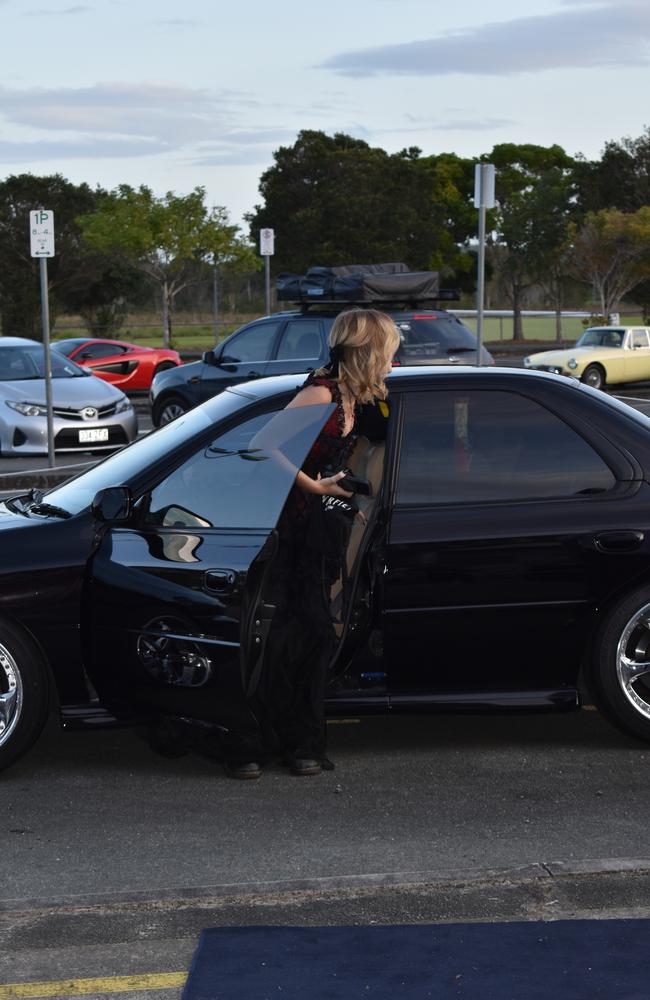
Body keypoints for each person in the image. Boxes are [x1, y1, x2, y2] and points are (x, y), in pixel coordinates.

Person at [224, 308, 400, 779]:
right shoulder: (321, 391)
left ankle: (298, 743)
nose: (391, 361)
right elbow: (262, 445)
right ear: (367, 350)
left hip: (316, 530)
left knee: (313, 635)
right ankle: (256, 744)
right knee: (283, 639)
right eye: (388, 352)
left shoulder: (350, 395)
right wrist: (313, 486)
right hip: (288, 532)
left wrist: (348, 499)